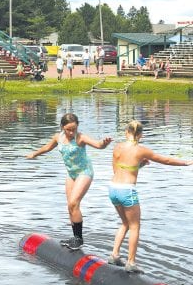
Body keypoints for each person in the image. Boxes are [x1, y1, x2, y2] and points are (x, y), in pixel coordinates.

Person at [108, 120, 193, 272]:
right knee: (135, 226)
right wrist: (185, 163)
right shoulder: (141, 150)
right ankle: (131, 263)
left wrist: (139, 165)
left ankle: (114, 255)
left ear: (126, 132)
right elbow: (165, 160)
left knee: (125, 223)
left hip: (113, 189)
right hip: (127, 191)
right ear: (140, 135)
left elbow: (117, 170)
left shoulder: (117, 147)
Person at [26, 113, 112, 250]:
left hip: (84, 172)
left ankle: (79, 239)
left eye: (74, 129)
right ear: (62, 127)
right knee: (70, 206)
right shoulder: (58, 137)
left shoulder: (80, 137)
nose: (72, 132)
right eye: (68, 129)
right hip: (71, 174)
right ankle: (74, 237)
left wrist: (104, 143)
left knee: (74, 203)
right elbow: (47, 148)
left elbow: (98, 145)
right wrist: (34, 154)